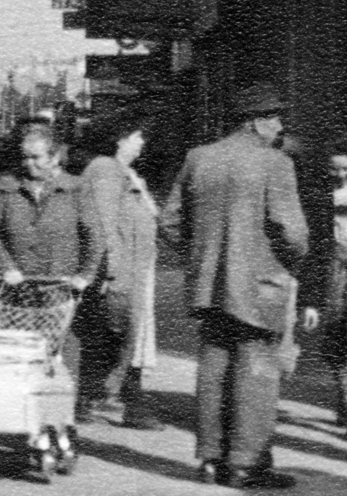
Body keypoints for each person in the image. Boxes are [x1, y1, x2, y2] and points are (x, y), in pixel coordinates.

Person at [161, 84, 309, 490]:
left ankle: (210, 459)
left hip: (208, 287)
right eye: (275, 117)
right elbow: (292, 232)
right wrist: (286, 263)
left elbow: (170, 222)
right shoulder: (274, 164)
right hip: (260, 287)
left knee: (213, 369)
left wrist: (202, 258)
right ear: (256, 121)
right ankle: (245, 463)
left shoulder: (198, 158)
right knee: (257, 374)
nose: (279, 126)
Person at [0, 119, 100, 396]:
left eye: (36, 157)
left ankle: (61, 416)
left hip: (61, 288)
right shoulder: (8, 188)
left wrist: (85, 275)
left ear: (55, 156)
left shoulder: (76, 188)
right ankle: (23, 413)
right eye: (24, 157)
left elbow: (95, 236)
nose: (29, 164)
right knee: (18, 351)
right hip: (18, 288)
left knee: (60, 352)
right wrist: (5, 267)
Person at [76, 117, 162, 429]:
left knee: (123, 334)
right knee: (111, 332)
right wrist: (112, 269)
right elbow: (103, 221)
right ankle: (101, 400)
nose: (142, 143)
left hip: (134, 268)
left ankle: (103, 400)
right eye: (138, 136)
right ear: (120, 139)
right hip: (119, 271)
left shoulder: (125, 173)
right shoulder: (104, 169)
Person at [301, 136, 347, 433]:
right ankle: (344, 398)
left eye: (346, 170)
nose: (340, 175)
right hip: (334, 271)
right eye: (335, 169)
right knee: (335, 338)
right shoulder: (318, 199)